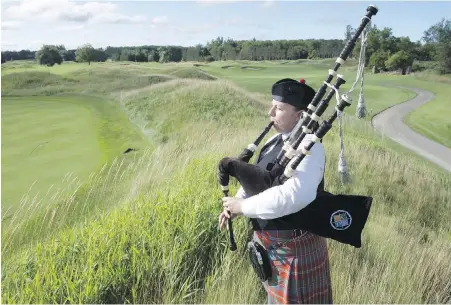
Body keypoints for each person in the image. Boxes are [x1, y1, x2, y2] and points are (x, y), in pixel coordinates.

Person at [219, 78, 332, 304]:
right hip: (271, 248)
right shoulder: (273, 141)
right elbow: (260, 178)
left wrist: (244, 207)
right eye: (272, 105)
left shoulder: (310, 147)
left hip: (294, 251)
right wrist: (236, 202)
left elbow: (294, 196)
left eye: (279, 108)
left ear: (300, 115)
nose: (270, 112)